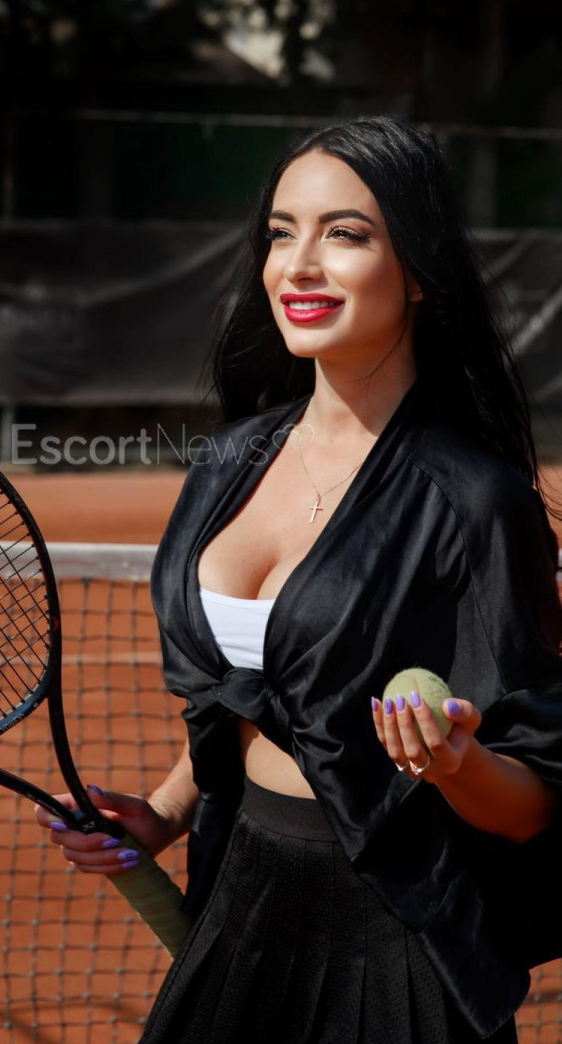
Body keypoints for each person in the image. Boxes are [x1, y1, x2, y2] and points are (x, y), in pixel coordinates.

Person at [36, 116, 562, 1043]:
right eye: (283, 233)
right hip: (238, 893)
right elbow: (249, 690)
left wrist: (457, 765)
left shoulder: (475, 499)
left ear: (420, 272)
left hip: (397, 936)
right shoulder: (229, 460)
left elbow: (532, 804)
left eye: (345, 234)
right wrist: (163, 813)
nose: (299, 265)